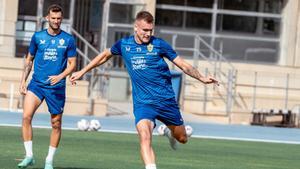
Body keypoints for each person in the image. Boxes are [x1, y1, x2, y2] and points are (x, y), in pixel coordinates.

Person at [70, 11, 218, 169]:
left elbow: (182, 64)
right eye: (144, 30)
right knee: (145, 136)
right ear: (136, 28)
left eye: (150, 30)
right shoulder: (124, 44)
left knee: (182, 138)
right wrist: (82, 71)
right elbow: (105, 55)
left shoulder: (159, 45)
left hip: (165, 101)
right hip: (143, 103)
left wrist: (201, 78)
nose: (148, 34)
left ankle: (169, 133)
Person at [18, 4, 77, 169]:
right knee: (26, 117)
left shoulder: (68, 40)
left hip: (56, 88)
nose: (56, 21)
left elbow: (72, 64)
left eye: (59, 19)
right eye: (53, 18)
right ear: (47, 18)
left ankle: (49, 161)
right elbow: (29, 60)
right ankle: (29, 155)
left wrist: (60, 76)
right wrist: (23, 81)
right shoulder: (37, 37)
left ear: (61, 19)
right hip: (36, 84)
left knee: (56, 123)